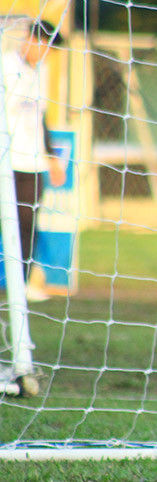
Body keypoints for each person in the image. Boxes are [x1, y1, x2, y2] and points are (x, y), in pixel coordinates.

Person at [2, 19, 67, 299]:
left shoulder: (39, 74)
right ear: (31, 39)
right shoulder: (5, 66)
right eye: (44, 46)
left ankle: (23, 284)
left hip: (32, 163)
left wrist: (52, 157)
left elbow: (40, 119)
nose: (45, 53)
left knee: (27, 224)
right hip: (6, 160)